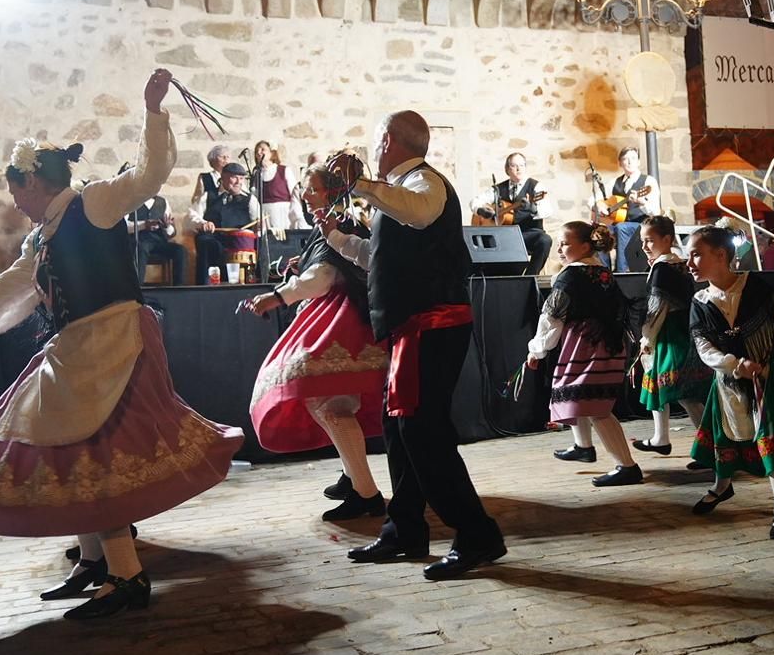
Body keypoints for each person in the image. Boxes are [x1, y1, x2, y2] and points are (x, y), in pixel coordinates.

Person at [0, 69, 244, 620]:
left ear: (33, 182)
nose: (14, 202)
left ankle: (126, 575)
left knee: (92, 446)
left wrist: (154, 111)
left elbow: (151, 173)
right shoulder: (42, 237)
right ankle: (93, 561)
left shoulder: (93, 202)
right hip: (78, 345)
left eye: (14, 190)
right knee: (67, 442)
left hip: (112, 339)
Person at [326, 112, 506, 580]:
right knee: (399, 429)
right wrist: (335, 237)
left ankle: (476, 534)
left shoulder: (424, 184)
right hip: (414, 329)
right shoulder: (396, 197)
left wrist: (362, 184)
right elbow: (379, 258)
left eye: (375, 141)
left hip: (433, 325)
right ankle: (404, 531)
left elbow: (419, 212)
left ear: (387, 141)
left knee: (421, 432)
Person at [243, 166, 387, 520]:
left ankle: (365, 492)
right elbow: (325, 266)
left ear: (330, 192)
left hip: (342, 321)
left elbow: (323, 277)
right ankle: (354, 476)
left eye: (311, 189)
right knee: (329, 403)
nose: (305, 195)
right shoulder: (337, 222)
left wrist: (278, 295)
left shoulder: (338, 224)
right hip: (338, 317)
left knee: (329, 404)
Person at [686, 226, 774, 538]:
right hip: (729, 382)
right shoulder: (700, 302)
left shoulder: (755, 286)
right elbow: (704, 349)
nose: (689, 262)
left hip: (769, 377)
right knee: (725, 440)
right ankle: (721, 486)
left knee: (773, 440)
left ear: (721, 255)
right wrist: (734, 365)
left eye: (696, 254)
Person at [528, 222, 640, 486]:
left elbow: (552, 318)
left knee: (595, 406)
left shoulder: (569, 277)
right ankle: (583, 446)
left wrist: (537, 350)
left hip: (587, 346)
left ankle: (627, 466)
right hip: (608, 344)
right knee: (580, 396)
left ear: (586, 245)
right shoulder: (603, 272)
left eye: (565, 243)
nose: (560, 248)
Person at [631, 215, 713, 457]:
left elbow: (657, 308)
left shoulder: (662, 268)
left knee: (680, 389)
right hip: (682, 328)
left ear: (666, 239)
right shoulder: (679, 263)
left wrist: (647, 337)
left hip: (670, 333)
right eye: (643, 241)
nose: (645, 246)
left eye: (649, 240)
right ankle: (661, 437)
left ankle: (708, 445)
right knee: (674, 388)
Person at [192, 161, 260, 284]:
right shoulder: (208, 196)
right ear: (223, 178)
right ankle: (204, 287)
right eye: (234, 178)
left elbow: (258, 222)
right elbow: (191, 216)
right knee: (204, 241)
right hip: (213, 239)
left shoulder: (250, 200)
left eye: (241, 178)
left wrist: (259, 228)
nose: (239, 182)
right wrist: (203, 223)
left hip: (238, 241)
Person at [491, 152, 554, 274]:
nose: (519, 169)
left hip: (530, 234)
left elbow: (547, 211)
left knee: (545, 240)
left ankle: (529, 277)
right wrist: (482, 210)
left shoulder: (536, 186)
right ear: (507, 169)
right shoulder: (498, 189)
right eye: (514, 166)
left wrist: (533, 208)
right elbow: (476, 202)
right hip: (506, 235)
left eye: (522, 165)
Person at [604, 146, 659, 273]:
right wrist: (600, 206)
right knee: (601, 231)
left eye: (633, 158)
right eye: (625, 159)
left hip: (641, 224)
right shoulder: (614, 182)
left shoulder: (648, 182)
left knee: (622, 228)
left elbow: (655, 212)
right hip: (618, 224)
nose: (629, 162)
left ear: (639, 162)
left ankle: (621, 272)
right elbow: (594, 199)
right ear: (620, 163)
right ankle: (604, 272)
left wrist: (641, 202)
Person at [128, 191, 185, 285]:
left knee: (180, 250)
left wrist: (167, 226)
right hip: (139, 241)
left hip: (159, 242)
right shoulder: (131, 202)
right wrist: (144, 225)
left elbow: (172, 233)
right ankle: (138, 289)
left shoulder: (163, 202)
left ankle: (179, 290)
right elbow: (124, 226)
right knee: (141, 248)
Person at [190, 144, 233, 219]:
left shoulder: (235, 177)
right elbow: (196, 201)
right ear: (213, 160)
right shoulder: (205, 177)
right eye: (221, 156)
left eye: (228, 157)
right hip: (211, 219)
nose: (225, 159)